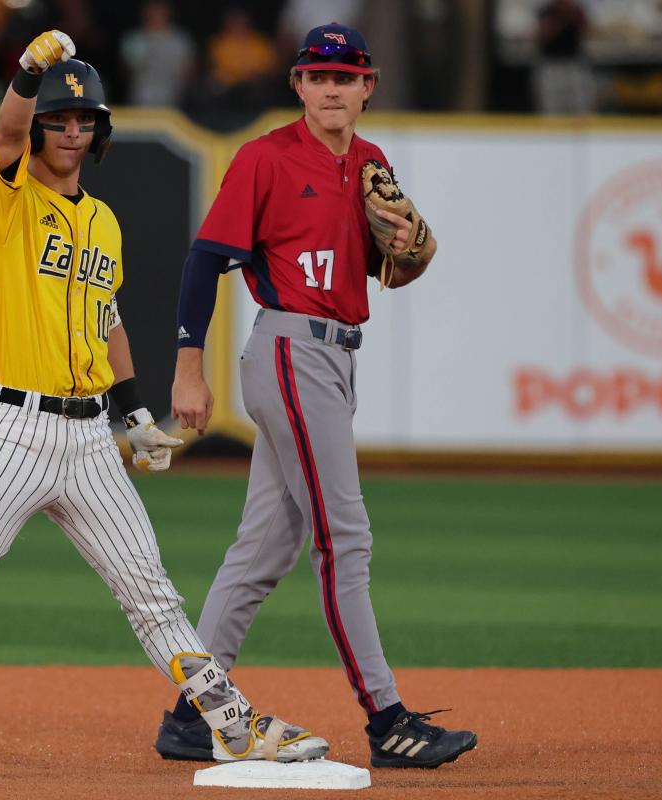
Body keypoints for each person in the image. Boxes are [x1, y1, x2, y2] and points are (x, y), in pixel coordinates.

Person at [0, 30, 331, 786]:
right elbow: (3, 129)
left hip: (88, 437)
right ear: (38, 124)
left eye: (84, 120)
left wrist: (133, 415)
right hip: (9, 430)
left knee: (152, 593)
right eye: (58, 118)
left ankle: (232, 725)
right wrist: (30, 69)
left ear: (99, 130)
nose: (71, 130)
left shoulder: (102, 221)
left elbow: (108, 320)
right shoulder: (0, 195)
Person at [152, 22, 479, 770]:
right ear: (297, 85)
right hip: (292, 352)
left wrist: (409, 251)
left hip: (335, 361)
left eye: (346, 76)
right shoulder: (265, 158)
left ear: (368, 88)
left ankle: (191, 713)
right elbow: (205, 263)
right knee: (345, 541)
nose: (331, 88)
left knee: (265, 548)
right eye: (318, 75)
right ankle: (387, 718)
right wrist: (188, 368)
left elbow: (390, 266)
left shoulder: (370, 161)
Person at [119, 1, 195, 107]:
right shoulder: (134, 39)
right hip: (140, 101)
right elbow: (127, 72)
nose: (155, 13)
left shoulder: (181, 40)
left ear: (168, 11)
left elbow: (189, 73)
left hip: (173, 102)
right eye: (152, 8)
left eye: (159, 8)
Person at [533, 0, 595, 114]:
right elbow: (541, 36)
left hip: (574, 65)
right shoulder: (546, 11)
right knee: (552, 110)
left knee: (580, 109)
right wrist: (561, 18)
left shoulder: (576, 10)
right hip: (550, 67)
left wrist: (575, 16)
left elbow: (589, 31)